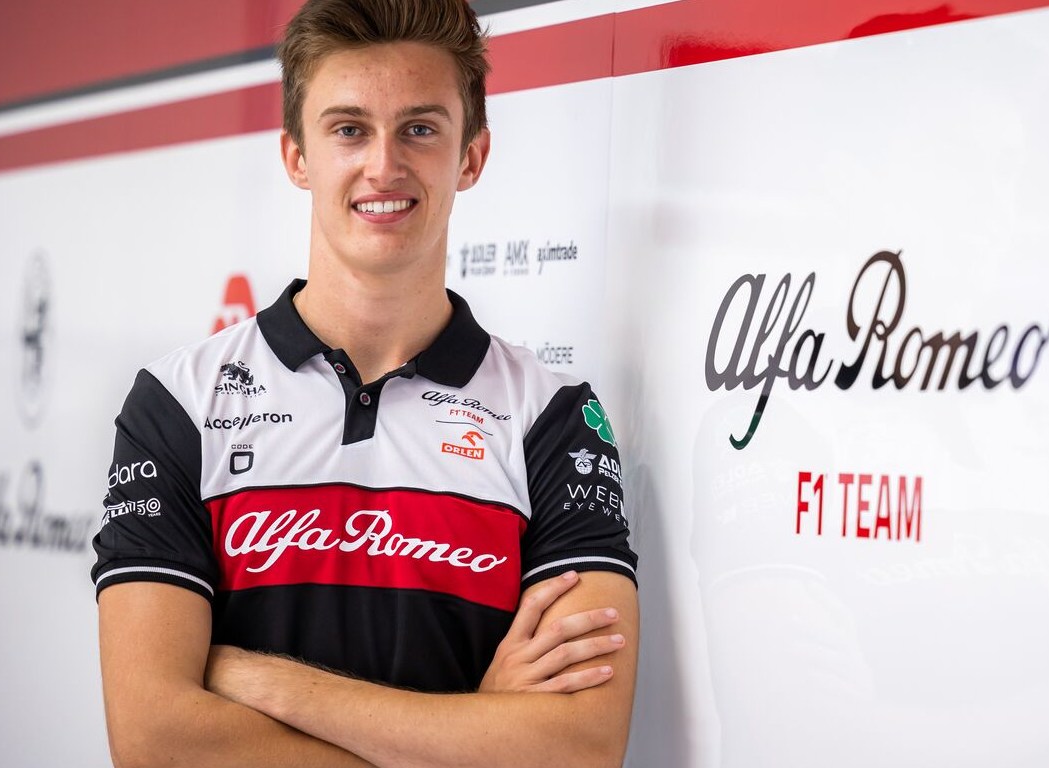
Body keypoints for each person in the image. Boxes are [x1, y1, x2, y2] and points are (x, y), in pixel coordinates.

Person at [89, 1, 638, 765]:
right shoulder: (179, 402)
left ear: (471, 156)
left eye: (419, 128)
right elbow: (155, 740)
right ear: (297, 157)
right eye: (349, 129)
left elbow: (578, 745)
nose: (383, 166)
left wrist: (277, 686)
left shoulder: (551, 416)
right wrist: (477, 731)